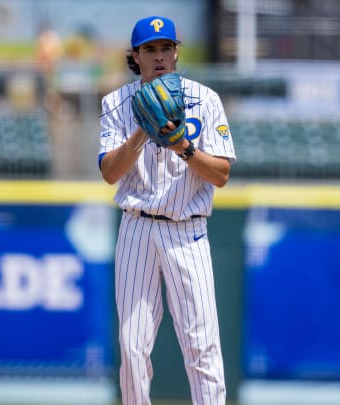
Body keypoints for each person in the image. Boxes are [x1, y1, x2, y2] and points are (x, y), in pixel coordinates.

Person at [97, 16, 235, 405]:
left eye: (165, 48)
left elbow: (222, 174)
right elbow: (110, 173)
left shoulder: (205, 100)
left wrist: (183, 146)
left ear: (176, 53)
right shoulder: (116, 103)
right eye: (149, 50)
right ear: (135, 57)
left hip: (187, 231)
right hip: (137, 227)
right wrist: (142, 130)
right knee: (132, 346)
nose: (159, 57)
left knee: (202, 346)